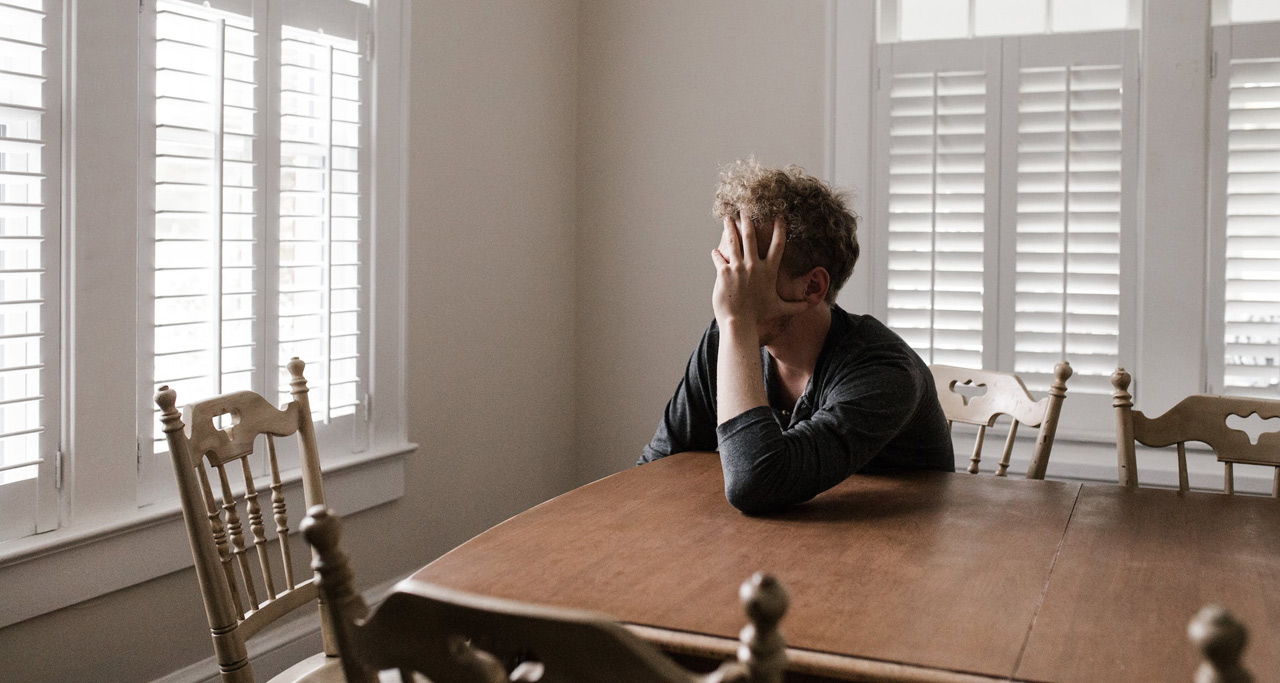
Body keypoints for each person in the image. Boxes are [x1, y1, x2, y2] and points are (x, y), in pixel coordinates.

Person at [640, 158, 954, 514]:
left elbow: (755, 483)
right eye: (726, 266)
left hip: (899, 552)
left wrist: (737, 323)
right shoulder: (726, 338)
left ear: (813, 286)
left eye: (747, 269)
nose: (727, 289)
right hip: (782, 545)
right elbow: (656, 467)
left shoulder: (885, 372)